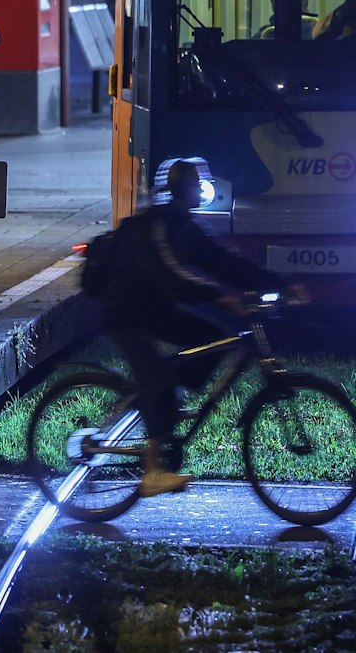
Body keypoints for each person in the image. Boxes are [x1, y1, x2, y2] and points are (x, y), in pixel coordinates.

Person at [95, 157, 280, 497]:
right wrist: (219, 297)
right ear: (185, 189)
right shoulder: (156, 225)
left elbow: (225, 262)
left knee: (215, 338)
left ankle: (165, 399)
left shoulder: (185, 226)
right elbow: (170, 277)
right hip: (125, 313)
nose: (201, 191)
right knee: (160, 380)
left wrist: (277, 282)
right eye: (197, 185)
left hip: (155, 310)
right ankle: (153, 470)